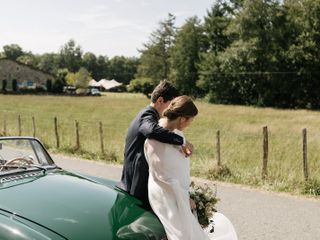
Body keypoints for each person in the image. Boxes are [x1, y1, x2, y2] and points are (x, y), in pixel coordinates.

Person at [118, 80, 193, 210]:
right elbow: (151, 130)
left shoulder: (150, 115)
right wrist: (182, 141)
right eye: (171, 104)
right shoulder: (147, 115)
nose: (172, 109)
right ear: (160, 101)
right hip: (135, 186)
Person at [144, 95, 210, 240]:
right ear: (182, 119)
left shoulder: (175, 132)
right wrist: (185, 198)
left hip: (178, 192)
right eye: (190, 121)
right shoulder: (156, 140)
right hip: (166, 195)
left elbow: (178, 147)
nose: (189, 124)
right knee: (184, 235)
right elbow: (160, 177)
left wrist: (186, 144)